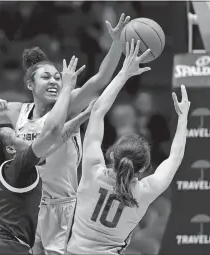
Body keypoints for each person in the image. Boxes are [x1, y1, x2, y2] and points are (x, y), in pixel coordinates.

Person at [0, 14, 133, 255]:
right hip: (26, 207)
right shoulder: (17, 110)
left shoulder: (68, 103)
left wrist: (116, 44)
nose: (54, 81)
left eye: (58, 77)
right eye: (46, 77)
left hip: (61, 205)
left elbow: (100, 79)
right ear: (30, 84)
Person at [65, 41, 190, 255]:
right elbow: (175, 157)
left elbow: (97, 112)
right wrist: (183, 118)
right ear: (143, 169)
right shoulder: (145, 191)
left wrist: (124, 72)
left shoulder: (92, 172)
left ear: (112, 154)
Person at [0, 56, 92, 255]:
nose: (19, 134)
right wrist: (72, 92)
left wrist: (83, 116)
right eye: (15, 135)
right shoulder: (20, 166)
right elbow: (54, 133)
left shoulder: (6, 170)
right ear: (10, 149)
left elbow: (57, 139)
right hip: (7, 248)